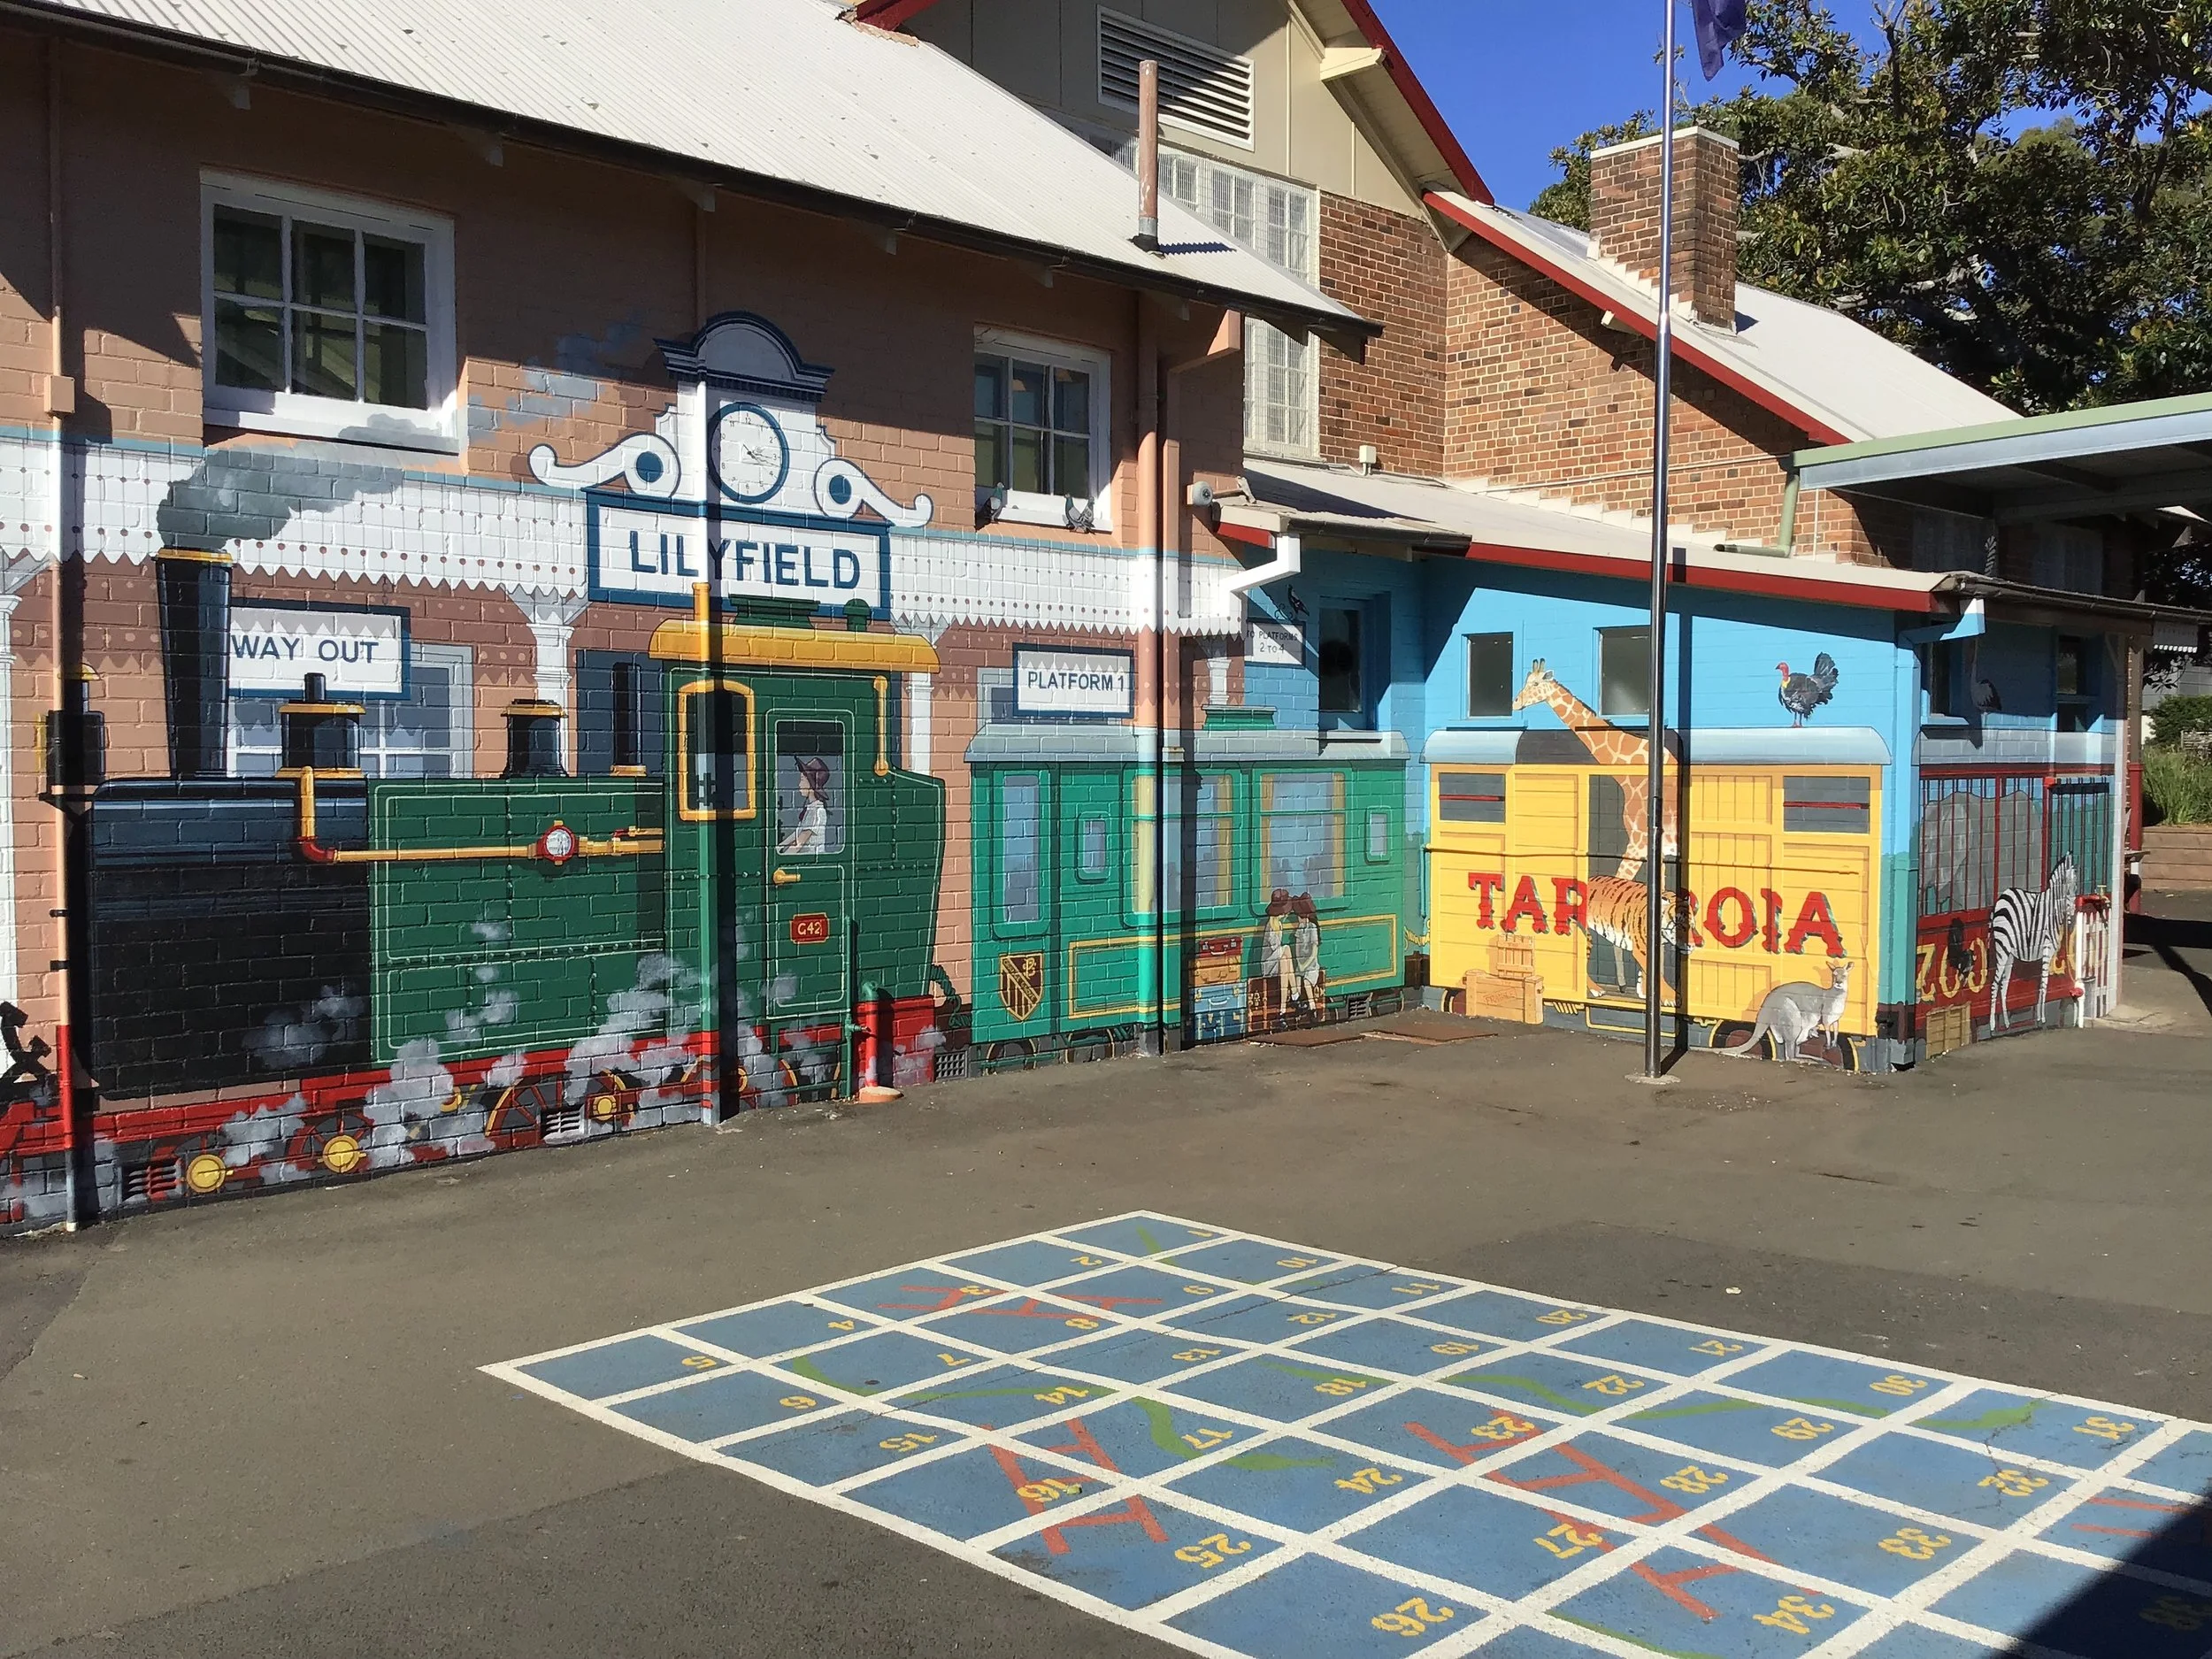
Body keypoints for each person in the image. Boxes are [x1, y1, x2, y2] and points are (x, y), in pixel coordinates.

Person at [778, 756, 831, 854]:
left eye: (802, 780)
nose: (799, 784)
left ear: (811, 785)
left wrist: (783, 856)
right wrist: (779, 847)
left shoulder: (816, 812)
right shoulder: (811, 808)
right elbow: (797, 834)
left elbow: (799, 842)